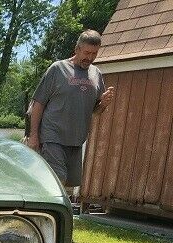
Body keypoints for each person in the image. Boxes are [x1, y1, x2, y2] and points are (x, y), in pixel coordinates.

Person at [28, 30, 115, 209]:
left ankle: (55, 221)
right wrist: (33, 136)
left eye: (94, 54)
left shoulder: (96, 74)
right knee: (57, 177)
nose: (89, 57)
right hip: (52, 136)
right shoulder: (58, 69)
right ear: (77, 49)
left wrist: (103, 104)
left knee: (68, 185)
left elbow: (96, 112)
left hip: (76, 140)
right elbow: (38, 104)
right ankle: (48, 219)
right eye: (86, 53)